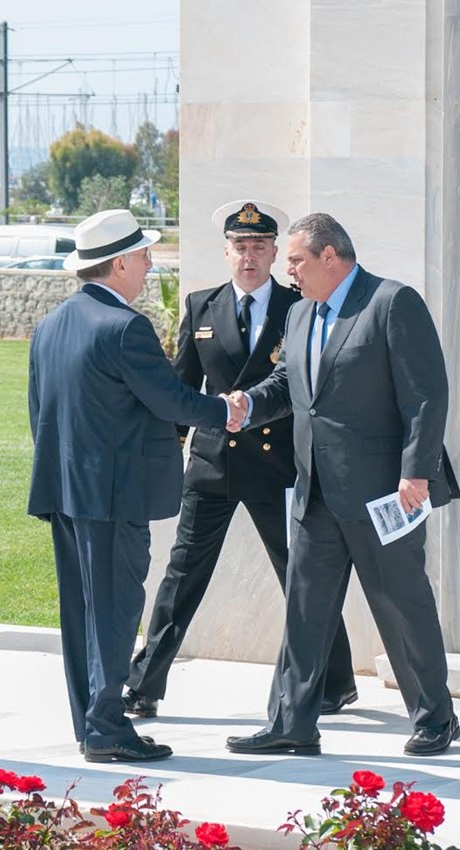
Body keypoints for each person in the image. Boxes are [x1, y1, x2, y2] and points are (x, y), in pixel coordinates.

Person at [224, 213, 460, 757]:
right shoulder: (300, 313)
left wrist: (416, 471)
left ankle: (435, 718)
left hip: (383, 494)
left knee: (402, 606)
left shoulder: (391, 303)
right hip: (315, 493)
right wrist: (248, 404)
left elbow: (426, 395)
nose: (289, 272)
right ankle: (291, 723)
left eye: (296, 261)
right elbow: (290, 383)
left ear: (329, 256)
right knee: (304, 611)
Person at [123, 201, 358, 719]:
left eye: (259, 247)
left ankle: (337, 681)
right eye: (240, 247)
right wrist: (167, 450)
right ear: (227, 252)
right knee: (182, 576)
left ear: (274, 253)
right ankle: (144, 684)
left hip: (278, 467)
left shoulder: (299, 305)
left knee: (302, 576)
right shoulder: (201, 306)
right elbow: (182, 387)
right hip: (213, 465)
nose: (249, 257)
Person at [27, 209, 237, 763]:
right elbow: (171, 399)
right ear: (118, 264)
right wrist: (226, 410)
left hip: (67, 492)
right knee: (116, 613)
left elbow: (38, 412)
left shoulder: (51, 325)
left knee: (83, 614)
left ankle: (91, 722)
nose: (149, 266)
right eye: (144, 256)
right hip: (114, 497)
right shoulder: (125, 327)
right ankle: (106, 729)